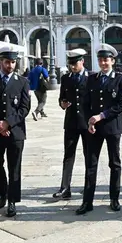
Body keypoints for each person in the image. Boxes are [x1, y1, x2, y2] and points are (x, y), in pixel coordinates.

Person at [78, 44, 122, 214]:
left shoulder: (120, 79)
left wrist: (101, 115)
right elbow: (85, 103)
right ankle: (87, 201)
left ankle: (114, 198)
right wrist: (89, 122)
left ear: (113, 61)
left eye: (106, 59)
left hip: (112, 127)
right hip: (94, 128)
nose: (103, 63)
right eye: (100, 60)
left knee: (114, 163)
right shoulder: (91, 79)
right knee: (90, 164)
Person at [0, 47, 31, 217]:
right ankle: (3, 193)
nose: (10, 65)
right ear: (0, 62)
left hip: (15, 132)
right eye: (7, 62)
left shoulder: (22, 81)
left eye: (13, 62)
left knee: (14, 167)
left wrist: (8, 123)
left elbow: (25, 108)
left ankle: (12, 201)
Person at [54, 49, 90, 200]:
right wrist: (62, 104)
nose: (73, 67)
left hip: (87, 123)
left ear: (82, 61)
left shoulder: (91, 77)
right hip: (70, 123)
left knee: (89, 156)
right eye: (70, 64)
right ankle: (65, 188)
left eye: (75, 64)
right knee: (68, 155)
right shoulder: (66, 78)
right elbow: (62, 97)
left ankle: (89, 186)